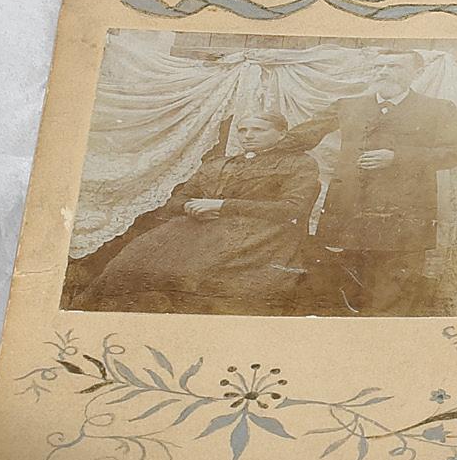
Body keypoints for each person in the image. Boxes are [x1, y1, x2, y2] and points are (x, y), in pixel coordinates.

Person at [72, 112, 319, 316]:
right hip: (197, 228)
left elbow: (291, 209)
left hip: (261, 234)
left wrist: (222, 205)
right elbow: (177, 200)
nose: (248, 135)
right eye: (243, 130)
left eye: (258, 130)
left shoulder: (299, 164)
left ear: (281, 133)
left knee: (196, 276)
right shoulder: (219, 164)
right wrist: (190, 208)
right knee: (128, 265)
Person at [286, 49, 457, 315]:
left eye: (394, 66)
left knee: (393, 292)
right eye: (379, 66)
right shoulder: (347, 106)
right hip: (350, 210)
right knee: (347, 286)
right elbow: (303, 136)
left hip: (404, 215)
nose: (384, 72)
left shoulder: (438, 109)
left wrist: (397, 157)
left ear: (417, 73)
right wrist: (261, 149)